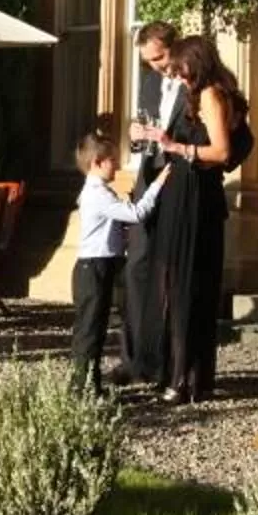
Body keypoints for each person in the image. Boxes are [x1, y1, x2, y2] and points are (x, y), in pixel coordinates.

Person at [133, 35, 247, 404]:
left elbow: (221, 151)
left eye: (182, 70)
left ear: (195, 64)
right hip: (182, 191)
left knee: (185, 288)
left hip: (195, 196)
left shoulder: (212, 95)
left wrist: (176, 146)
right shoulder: (199, 93)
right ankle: (177, 371)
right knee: (174, 283)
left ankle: (183, 378)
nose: (179, 77)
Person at [69, 133, 169, 392]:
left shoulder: (97, 191)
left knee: (94, 328)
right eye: (112, 160)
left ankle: (88, 383)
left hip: (97, 267)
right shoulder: (98, 194)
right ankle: (82, 387)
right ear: (97, 163)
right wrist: (157, 184)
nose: (117, 165)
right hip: (94, 268)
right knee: (89, 331)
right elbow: (137, 213)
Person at [117, 21, 180, 387]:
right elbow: (140, 124)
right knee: (136, 265)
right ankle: (133, 358)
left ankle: (164, 363)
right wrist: (134, 132)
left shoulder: (193, 82)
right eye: (149, 60)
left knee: (167, 274)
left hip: (176, 181)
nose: (155, 65)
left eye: (159, 57)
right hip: (147, 177)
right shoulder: (150, 81)